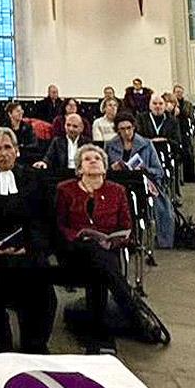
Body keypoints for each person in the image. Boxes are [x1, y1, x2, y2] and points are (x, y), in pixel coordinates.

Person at [0, 128, 56, 353]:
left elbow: (45, 218)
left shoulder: (34, 178)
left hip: (27, 249)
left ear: (17, 151)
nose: (3, 153)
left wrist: (29, 245)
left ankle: (34, 340)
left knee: (40, 280)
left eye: (8, 147)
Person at [55, 145, 135, 354]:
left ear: (104, 167)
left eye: (97, 158)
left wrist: (112, 241)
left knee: (98, 267)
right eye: (87, 159)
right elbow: (59, 225)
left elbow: (126, 226)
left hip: (106, 252)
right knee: (95, 254)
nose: (93, 161)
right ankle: (127, 304)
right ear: (79, 168)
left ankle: (95, 338)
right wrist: (78, 236)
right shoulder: (65, 189)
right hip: (75, 252)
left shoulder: (117, 191)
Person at [107, 113, 174, 248]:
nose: (126, 132)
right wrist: (112, 168)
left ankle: (161, 239)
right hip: (119, 183)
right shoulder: (110, 145)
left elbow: (158, 171)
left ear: (134, 127)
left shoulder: (146, 144)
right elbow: (104, 170)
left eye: (129, 128)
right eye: (122, 129)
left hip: (142, 183)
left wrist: (145, 169)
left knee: (161, 207)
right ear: (117, 130)